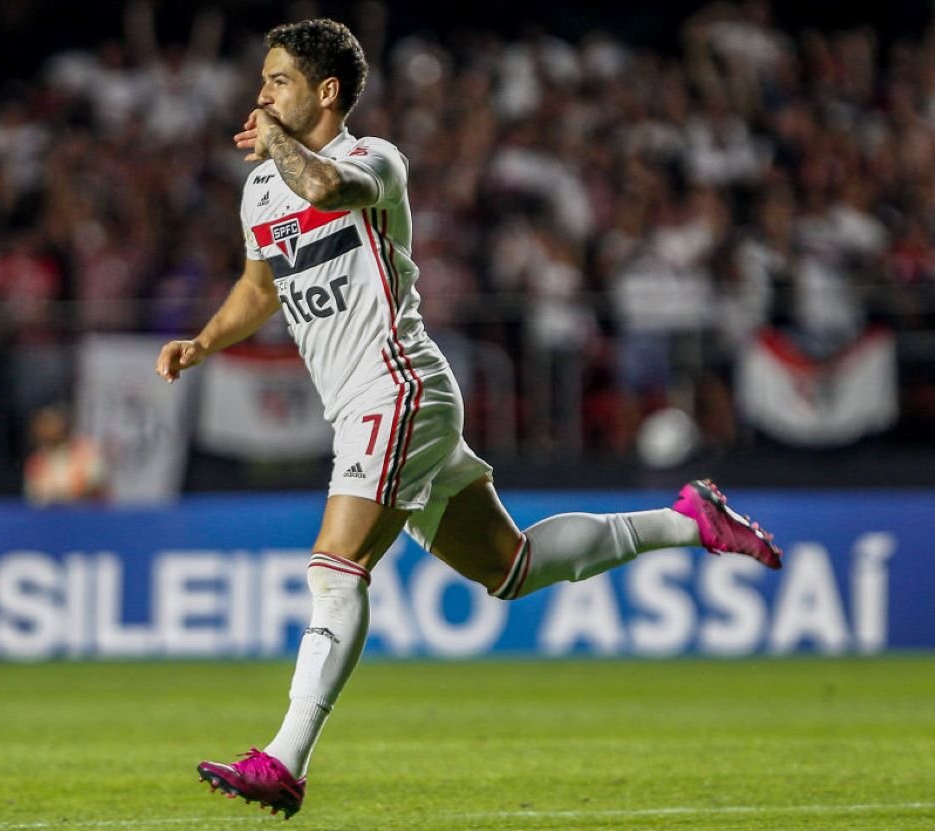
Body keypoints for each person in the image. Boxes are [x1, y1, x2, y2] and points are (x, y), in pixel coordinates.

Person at [155, 19, 782, 820]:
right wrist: (202, 341)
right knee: (510, 568)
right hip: (360, 405)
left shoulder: (372, 161)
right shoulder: (258, 190)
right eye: (262, 83)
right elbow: (260, 287)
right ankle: (690, 519)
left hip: (399, 386)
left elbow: (323, 189)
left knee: (333, 566)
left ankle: (284, 758)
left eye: (277, 81)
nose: (261, 95)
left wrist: (277, 140)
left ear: (326, 92)